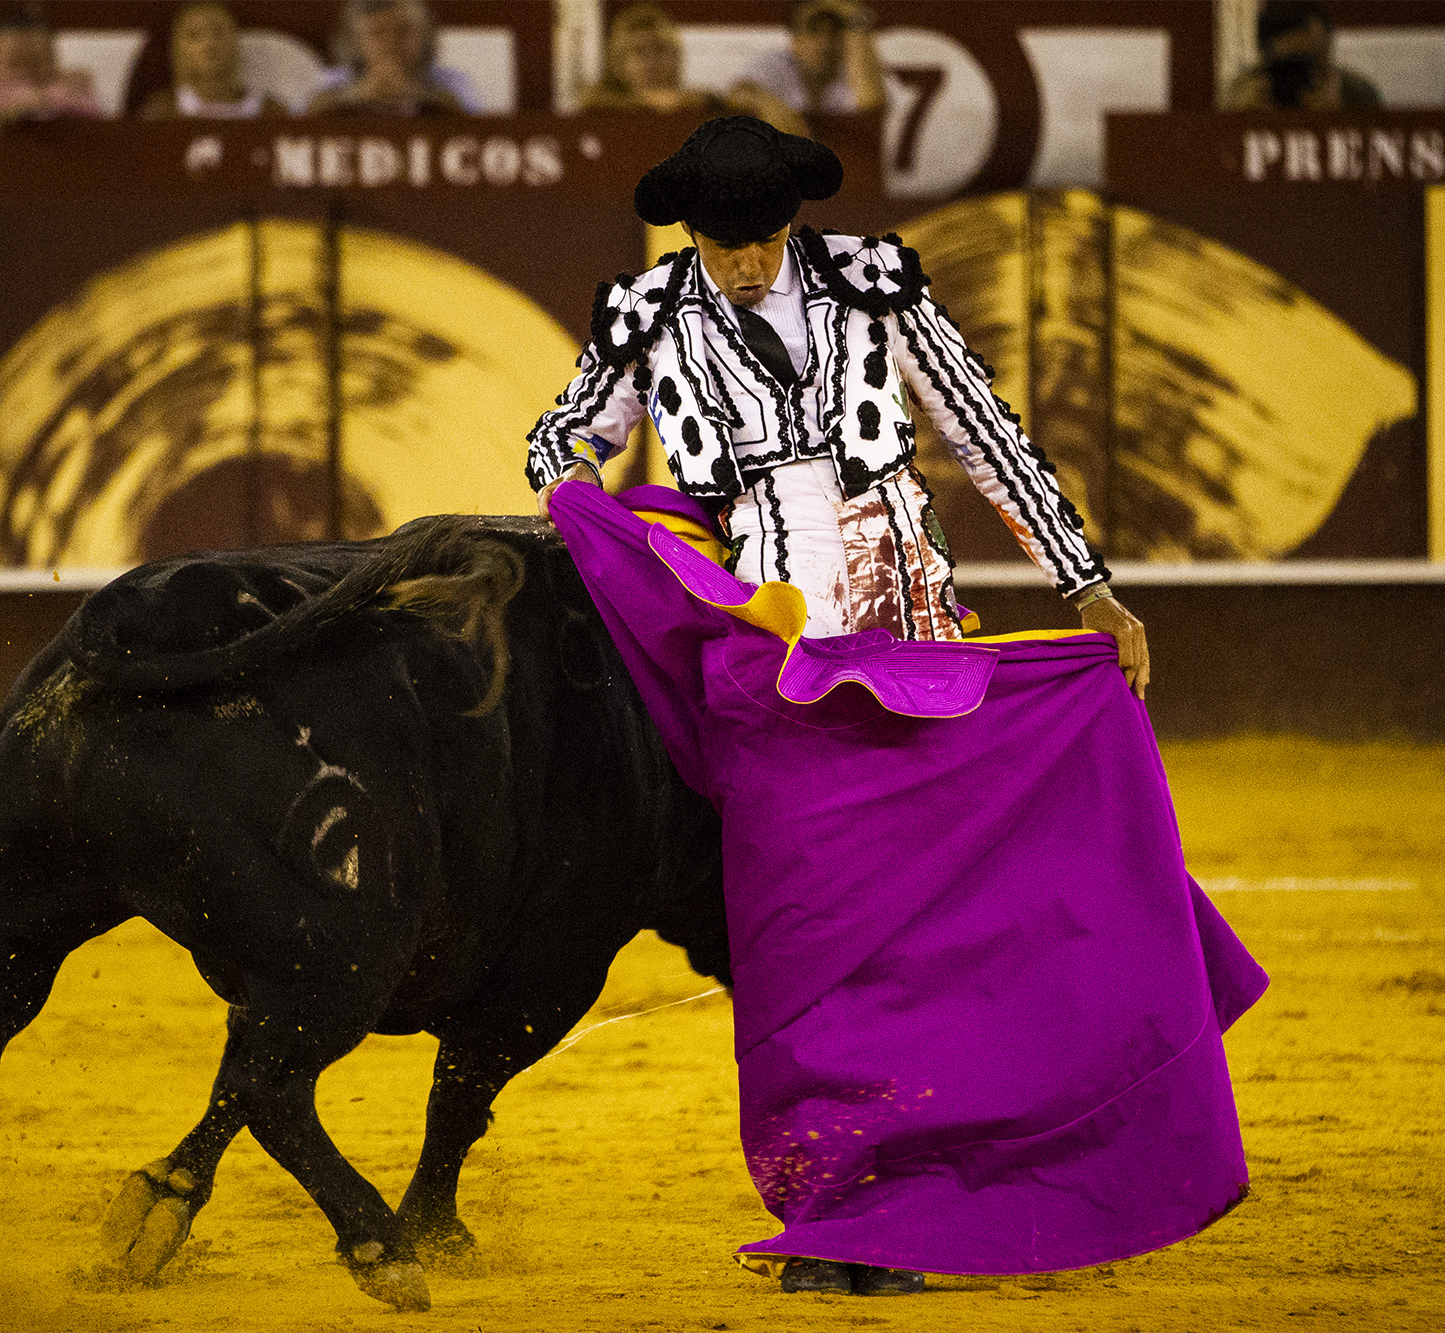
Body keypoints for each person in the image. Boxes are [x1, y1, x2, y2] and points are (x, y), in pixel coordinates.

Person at [527, 117, 1267, 1296]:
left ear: (792, 223)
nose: (744, 267)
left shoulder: (874, 282)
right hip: (769, 667)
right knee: (806, 939)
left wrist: (1085, 583)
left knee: (935, 931)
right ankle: (834, 1199)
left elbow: (980, 429)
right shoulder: (645, 310)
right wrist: (597, 512)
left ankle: (956, 1166)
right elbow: (560, 439)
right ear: (690, 236)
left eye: (760, 242)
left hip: (910, 635)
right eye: (721, 249)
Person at [579, 3, 807, 136]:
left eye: (660, 49)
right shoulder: (598, 106)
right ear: (619, 62)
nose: (651, 61)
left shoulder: (698, 105)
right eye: (639, 51)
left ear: (676, 57)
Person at [302, 0, 478, 117]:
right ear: (356, 42)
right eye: (377, 32)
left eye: (403, 30)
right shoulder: (330, 81)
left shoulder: (453, 83)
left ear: (425, 37)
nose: (391, 42)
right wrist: (361, 94)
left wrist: (415, 93)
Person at [0, 10, 104, 128]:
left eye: (36, 63)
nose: (25, 72)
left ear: (53, 61)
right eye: (14, 64)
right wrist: (10, 105)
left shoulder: (67, 84)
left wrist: (41, 99)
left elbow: (93, 116)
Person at [733, 0, 886, 118]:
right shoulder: (777, 64)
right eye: (813, 30)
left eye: (834, 32)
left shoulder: (856, 70)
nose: (823, 42)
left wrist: (855, 17)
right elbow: (739, 95)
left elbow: (871, 109)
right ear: (795, 40)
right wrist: (767, 105)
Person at [1225, 0, 1381, 109]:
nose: (1295, 75)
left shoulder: (1359, 94)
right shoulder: (1245, 89)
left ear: (1328, 45)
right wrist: (1241, 119)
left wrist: (1337, 124)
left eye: (1306, 62)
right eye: (1286, 65)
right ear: (1265, 58)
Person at [138, 2, 282, 119]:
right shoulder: (162, 111)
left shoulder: (270, 112)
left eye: (218, 32)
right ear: (178, 49)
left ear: (235, 41)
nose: (208, 44)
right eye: (194, 36)